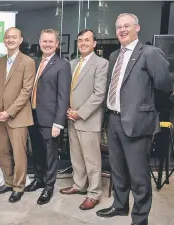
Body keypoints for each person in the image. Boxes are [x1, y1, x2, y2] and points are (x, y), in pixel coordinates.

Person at [96, 13, 172, 225]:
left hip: (137, 123)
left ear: (137, 28)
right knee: (118, 170)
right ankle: (120, 206)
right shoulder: (114, 56)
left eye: (126, 26)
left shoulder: (150, 53)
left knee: (138, 177)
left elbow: (164, 86)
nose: (122, 30)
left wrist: (146, 110)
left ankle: (140, 219)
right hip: (113, 121)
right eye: (118, 26)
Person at [59, 29, 108, 210]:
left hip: (88, 119)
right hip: (71, 117)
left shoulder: (101, 64)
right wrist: (68, 110)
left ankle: (94, 193)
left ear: (94, 43)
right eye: (80, 40)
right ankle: (79, 185)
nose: (83, 43)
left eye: (87, 40)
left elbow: (99, 94)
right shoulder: (72, 64)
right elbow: (66, 90)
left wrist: (80, 112)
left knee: (92, 160)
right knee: (77, 156)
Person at [25, 29, 71, 205]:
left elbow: (63, 96)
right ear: (40, 41)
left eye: (51, 42)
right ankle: (39, 179)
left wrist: (58, 123)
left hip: (50, 119)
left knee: (50, 154)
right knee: (36, 150)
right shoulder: (34, 62)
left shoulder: (62, 65)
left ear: (57, 44)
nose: (47, 44)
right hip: (33, 115)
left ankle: (49, 186)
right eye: (44, 41)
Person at [0, 27, 35, 203]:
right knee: (3, 152)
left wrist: (8, 113)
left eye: (14, 37)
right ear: (4, 40)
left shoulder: (28, 61)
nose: (10, 40)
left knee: (19, 154)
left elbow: (26, 91)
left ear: (20, 40)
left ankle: (18, 186)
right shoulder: (0, 62)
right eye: (7, 37)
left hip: (17, 117)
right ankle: (8, 182)